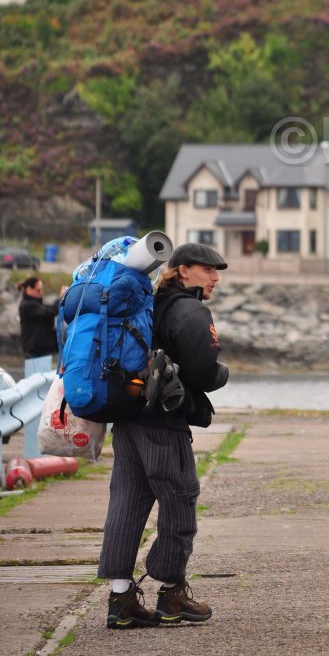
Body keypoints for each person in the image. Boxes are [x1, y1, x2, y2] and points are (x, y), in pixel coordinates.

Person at [97, 242, 230, 630]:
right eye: (209, 270)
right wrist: (223, 372)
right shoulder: (189, 310)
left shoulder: (146, 303)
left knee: (126, 503)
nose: (216, 278)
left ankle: (121, 599)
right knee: (180, 499)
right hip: (162, 421)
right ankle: (172, 593)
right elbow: (205, 372)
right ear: (184, 270)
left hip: (127, 418)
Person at [17, 276, 59, 369]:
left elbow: (50, 310)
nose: (40, 293)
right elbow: (50, 311)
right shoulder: (27, 305)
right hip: (35, 352)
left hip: (41, 351)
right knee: (37, 380)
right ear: (29, 289)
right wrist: (61, 298)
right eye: (38, 290)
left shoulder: (36, 304)